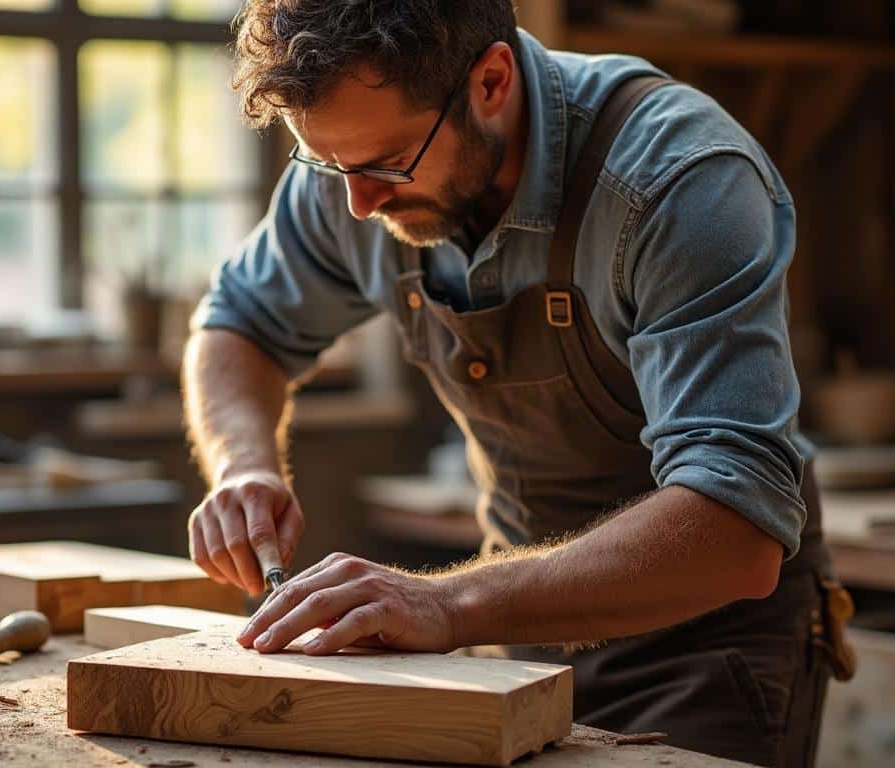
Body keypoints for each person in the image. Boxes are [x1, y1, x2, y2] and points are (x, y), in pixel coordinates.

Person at [181, 2, 852, 765]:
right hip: (515, 634)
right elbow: (238, 323)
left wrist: (446, 601)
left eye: (387, 163)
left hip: (705, 651)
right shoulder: (354, 172)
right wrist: (243, 465)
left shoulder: (680, 180)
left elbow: (737, 528)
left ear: (492, 81)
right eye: (329, 165)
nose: (359, 205)